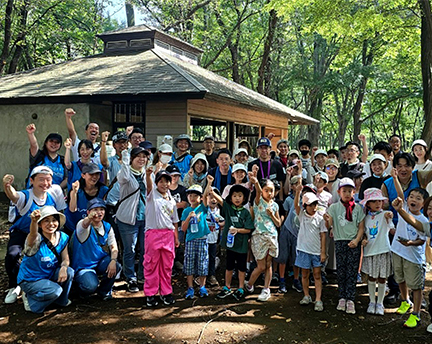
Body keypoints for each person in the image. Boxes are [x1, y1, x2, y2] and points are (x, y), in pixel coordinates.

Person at [3, 166, 67, 304]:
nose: (45, 183)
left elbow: (60, 212)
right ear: (31, 180)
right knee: (13, 255)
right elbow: (14, 195)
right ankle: (15, 285)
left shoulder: (55, 192)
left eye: (48, 180)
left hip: (45, 234)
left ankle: (36, 287)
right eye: (41, 180)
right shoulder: (26, 195)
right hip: (23, 232)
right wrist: (7, 186)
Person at [391, 173, 429, 328]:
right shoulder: (404, 206)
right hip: (397, 250)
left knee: (416, 286)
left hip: (413, 257)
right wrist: (395, 178)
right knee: (399, 278)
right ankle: (405, 300)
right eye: (411, 196)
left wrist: (411, 243)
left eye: (418, 198)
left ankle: (416, 313)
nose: (413, 199)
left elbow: (422, 240)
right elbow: (400, 194)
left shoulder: (424, 221)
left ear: (424, 204)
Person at [18, 207, 74, 313]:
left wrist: (63, 267)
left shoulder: (62, 237)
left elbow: (65, 258)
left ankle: (61, 300)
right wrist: (34, 221)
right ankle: (32, 302)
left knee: (69, 272)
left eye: (54, 220)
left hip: (48, 274)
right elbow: (33, 234)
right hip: (31, 279)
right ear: (40, 224)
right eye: (46, 221)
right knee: (56, 290)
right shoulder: (35, 240)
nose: (51, 224)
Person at [324, 177, 365, 314]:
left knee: (352, 271)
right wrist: (327, 221)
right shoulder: (334, 207)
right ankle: (342, 297)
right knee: (341, 271)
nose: (347, 193)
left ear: (354, 192)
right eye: (344, 191)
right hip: (340, 241)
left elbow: (361, 227)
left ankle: (351, 298)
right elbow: (329, 225)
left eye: (350, 191)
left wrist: (357, 240)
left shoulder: (358, 208)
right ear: (339, 192)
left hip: (354, 242)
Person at [70, 198, 121, 300]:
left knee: (116, 265)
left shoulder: (107, 226)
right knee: (90, 286)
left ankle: (104, 291)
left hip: (99, 261)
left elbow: (113, 246)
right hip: (84, 266)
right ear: (88, 212)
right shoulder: (83, 226)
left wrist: (113, 260)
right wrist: (89, 218)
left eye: (101, 209)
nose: (99, 212)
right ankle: (78, 288)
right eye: (95, 209)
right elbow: (84, 224)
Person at [211, 182, 254, 301]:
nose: (237, 198)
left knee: (241, 268)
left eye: (240, 196)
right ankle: (227, 287)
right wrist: (210, 186)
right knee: (229, 267)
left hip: (242, 246)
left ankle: (240, 288)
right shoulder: (228, 209)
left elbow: (249, 229)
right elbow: (220, 200)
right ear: (230, 197)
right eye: (234, 196)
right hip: (230, 246)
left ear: (244, 198)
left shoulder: (245, 212)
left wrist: (237, 230)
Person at [144, 168, 180, 307]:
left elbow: (174, 221)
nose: (164, 184)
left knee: (167, 266)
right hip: (153, 233)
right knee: (151, 264)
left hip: (168, 235)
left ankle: (166, 292)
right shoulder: (152, 195)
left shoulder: (171, 199)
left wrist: (176, 237)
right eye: (161, 181)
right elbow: (148, 186)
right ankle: (150, 294)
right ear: (157, 182)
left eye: (167, 181)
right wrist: (148, 175)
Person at [115, 147, 149, 291]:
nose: (141, 159)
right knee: (130, 249)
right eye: (138, 156)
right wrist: (125, 160)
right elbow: (123, 178)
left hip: (146, 218)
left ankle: (142, 275)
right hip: (128, 218)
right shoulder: (125, 173)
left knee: (145, 249)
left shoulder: (147, 174)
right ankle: (131, 278)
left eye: (144, 156)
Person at [245, 176, 282, 302]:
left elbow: (278, 224)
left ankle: (266, 288)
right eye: (266, 190)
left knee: (268, 264)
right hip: (259, 236)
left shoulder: (275, 205)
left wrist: (272, 215)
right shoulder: (258, 201)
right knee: (261, 265)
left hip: (271, 236)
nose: (269, 193)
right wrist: (256, 182)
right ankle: (249, 284)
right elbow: (258, 192)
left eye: (271, 190)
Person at [359, 188, 394, 316]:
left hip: (383, 250)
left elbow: (391, 225)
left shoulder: (385, 214)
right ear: (368, 204)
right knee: (372, 277)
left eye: (380, 200)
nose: (378, 203)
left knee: (382, 278)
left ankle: (380, 303)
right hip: (370, 251)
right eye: (373, 201)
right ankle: (372, 301)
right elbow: (364, 233)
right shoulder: (365, 218)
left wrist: (389, 216)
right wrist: (363, 239)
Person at [293, 188, 327, 312]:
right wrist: (297, 192)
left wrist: (323, 252)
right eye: (310, 205)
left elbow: (323, 235)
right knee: (305, 274)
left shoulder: (320, 218)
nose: (313, 207)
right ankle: (306, 295)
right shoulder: (302, 215)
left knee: (317, 275)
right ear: (305, 206)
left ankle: (318, 299)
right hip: (303, 250)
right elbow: (296, 205)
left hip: (316, 251)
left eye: (315, 204)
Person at [182, 180, 213, 299]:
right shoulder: (186, 211)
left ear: (200, 198)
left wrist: (209, 183)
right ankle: (190, 288)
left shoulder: (203, 208)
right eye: (190, 195)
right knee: (189, 264)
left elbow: (206, 195)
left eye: (195, 195)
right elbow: (183, 229)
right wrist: (189, 217)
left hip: (203, 239)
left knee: (202, 263)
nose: (192, 198)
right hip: (190, 240)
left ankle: (202, 287)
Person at [100, 131, 129, 241]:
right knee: (115, 233)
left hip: (128, 201)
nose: (122, 145)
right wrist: (103, 142)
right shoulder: (112, 160)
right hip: (114, 202)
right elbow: (103, 162)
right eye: (119, 142)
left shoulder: (132, 160)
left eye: (124, 142)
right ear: (114, 145)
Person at [276, 175, 302, 293]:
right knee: (283, 257)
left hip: (299, 232)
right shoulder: (288, 200)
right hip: (287, 229)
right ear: (291, 186)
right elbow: (286, 214)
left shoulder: (306, 199)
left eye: (300, 184)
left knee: (296, 257)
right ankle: (282, 280)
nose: (298, 186)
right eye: (295, 184)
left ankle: (296, 280)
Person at [64, 163, 108, 234]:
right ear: (83, 175)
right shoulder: (77, 189)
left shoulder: (103, 190)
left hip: (91, 229)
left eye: (97, 174)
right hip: (72, 227)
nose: (94, 177)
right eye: (91, 174)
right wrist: (74, 192)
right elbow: (72, 209)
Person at [25, 123, 66, 189]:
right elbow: (34, 145)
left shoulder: (63, 160)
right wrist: (31, 134)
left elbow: (67, 179)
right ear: (46, 142)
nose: (54, 144)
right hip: (34, 193)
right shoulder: (38, 156)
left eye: (57, 142)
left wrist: (55, 190)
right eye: (51, 141)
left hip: (53, 196)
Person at [205, 187, 225, 287]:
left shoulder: (219, 210)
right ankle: (201, 275)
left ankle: (212, 275)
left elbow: (225, 221)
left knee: (212, 256)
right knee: (203, 257)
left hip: (214, 238)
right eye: (210, 197)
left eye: (215, 197)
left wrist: (221, 223)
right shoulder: (204, 209)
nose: (213, 200)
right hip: (203, 238)